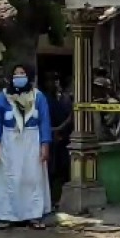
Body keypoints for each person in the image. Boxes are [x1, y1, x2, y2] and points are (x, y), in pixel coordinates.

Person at [0, 63, 52, 230]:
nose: (19, 77)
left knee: (33, 177)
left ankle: (34, 215)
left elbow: (45, 121)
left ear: (29, 76)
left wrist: (45, 144)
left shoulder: (38, 97)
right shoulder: (2, 97)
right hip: (9, 140)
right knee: (8, 178)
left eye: (22, 73)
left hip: (32, 139)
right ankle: (6, 215)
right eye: (15, 74)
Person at [48, 75, 73, 211]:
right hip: (50, 138)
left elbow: (71, 116)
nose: (54, 83)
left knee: (64, 169)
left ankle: (60, 200)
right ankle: (51, 199)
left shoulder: (66, 98)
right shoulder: (45, 99)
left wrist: (60, 129)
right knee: (51, 170)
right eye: (52, 80)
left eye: (56, 80)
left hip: (65, 137)